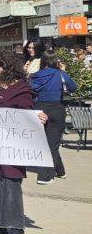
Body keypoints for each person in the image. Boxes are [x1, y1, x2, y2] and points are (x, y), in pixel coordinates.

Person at [0, 51, 48, 234]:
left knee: (11, 183)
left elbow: (27, 115)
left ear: (3, 66)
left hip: (12, 146)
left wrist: (41, 119)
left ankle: (14, 226)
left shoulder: (21, 88)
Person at [30, 53, 76, 185]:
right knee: (52, 144)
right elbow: (73, 88)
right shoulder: (60, 74)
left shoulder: (35, 75)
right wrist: (64, 71)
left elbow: (31, 90)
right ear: (56, 62)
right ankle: (45, 176)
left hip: (39, 109)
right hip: (56, 108)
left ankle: (60, 171)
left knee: (48, 142)